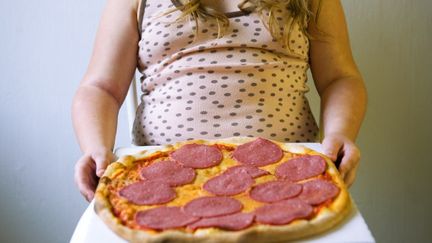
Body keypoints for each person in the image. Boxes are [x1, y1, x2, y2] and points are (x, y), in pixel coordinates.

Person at [72, 0, 367, 201]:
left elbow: (339, 78)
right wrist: (95, 147)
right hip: (162, 186)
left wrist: (339, 135)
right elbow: (101, 88)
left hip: (286, 183)